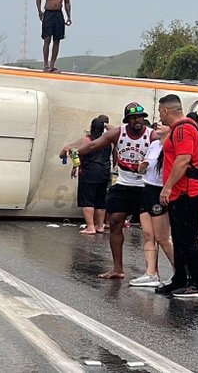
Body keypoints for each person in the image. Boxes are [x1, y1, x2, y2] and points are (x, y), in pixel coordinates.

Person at [77, 102, 152, 279]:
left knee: (150, 231)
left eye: (140, 117)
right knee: (116, 222)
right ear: (127, 120)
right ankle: (118, 268)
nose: (137, 121)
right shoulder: (119, 133)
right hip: (124, 185)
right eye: (133, 118)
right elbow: (94, 144)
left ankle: (152, 272)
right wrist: (74, 151)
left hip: (145, 186)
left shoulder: (153, 135)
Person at [155, 94, 198, 298]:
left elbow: (183, 160)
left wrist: (167, 188)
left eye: (160, 112)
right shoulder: (180, 129)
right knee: (179, 237)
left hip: (187, 192)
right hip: (180, 193)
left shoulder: (183, 129)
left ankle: (197, 284)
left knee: (188, 239)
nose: (160, 116)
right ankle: (180, 279)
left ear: (166, 111)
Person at [130, 122, 175, 287]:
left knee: (162, 237)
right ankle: (151, 273)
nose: (158, 125)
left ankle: (180, 271)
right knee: (148, 235)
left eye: (163, 124)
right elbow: (145, 168)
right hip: (146, 189)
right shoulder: (154, 145)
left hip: (159, 192)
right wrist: (141, 168)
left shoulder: (171, 147)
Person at [60, 118, 111, 235]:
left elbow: (76, 152)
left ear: (91, 127)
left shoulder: (87, 139)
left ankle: (90, 227)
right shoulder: (108, 141)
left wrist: (74, 165)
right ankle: (100, 226)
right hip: (104, 173)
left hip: (89, 173)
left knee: (87, 200)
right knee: (100, 200)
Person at [36, 0, 72, 72]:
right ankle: (46, 64)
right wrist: (40, 11)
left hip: (58, 14)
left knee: (57, 40)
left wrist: (69, 16)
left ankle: (52, 65)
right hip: (48, 13)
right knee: (47, 38)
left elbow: (67, 2)